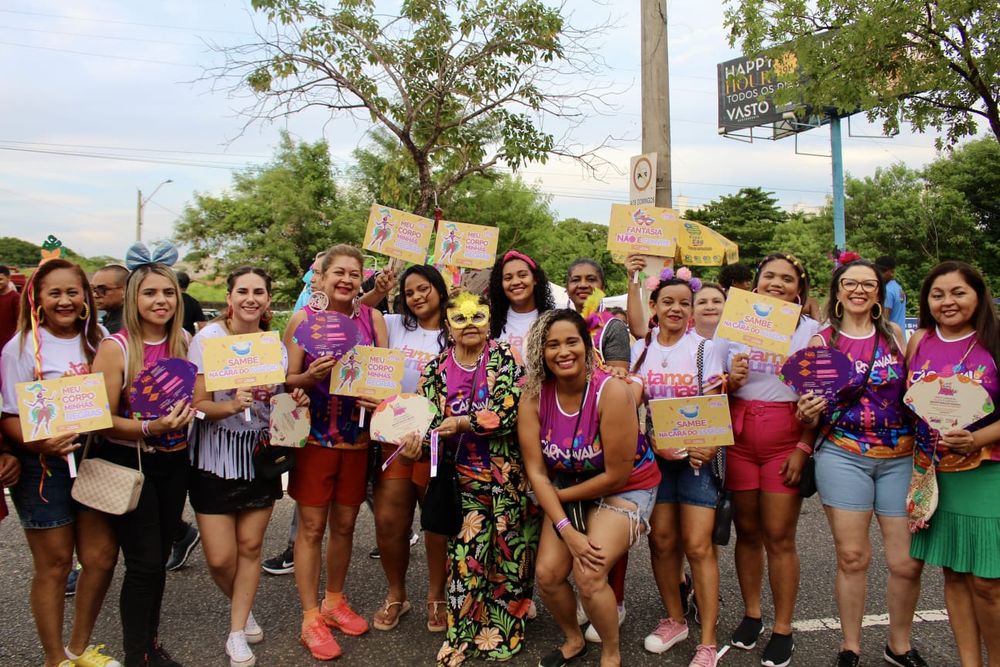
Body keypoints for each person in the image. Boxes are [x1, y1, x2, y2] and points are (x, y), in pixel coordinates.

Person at [797, 258, 927, 667]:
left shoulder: (897, 337)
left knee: (904, 562)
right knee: (852, 556)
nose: (858, 290)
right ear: (837, 291)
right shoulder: (821, 344)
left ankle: (898, 645)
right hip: (843, 454)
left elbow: (916, 392)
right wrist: (806, 409)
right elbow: (808, 408)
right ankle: (849, 645)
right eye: (849, 283)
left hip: (900, 456)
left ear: (878, 291)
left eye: (867, 284)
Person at [397, 292, 536, 665]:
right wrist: (415, 445)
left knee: (509, 557)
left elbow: (507, 412)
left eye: (477, 315)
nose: (470, 323)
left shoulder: (506, 357)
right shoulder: (436, 368)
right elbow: (424, 423)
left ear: (490, 321)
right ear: (448, 327)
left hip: (507, 480)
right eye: (460, 318)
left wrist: (463, 422)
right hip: (461, 484)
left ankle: (503, 630)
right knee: (465, 560)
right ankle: (460, 635)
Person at [520, 309, 660, 667]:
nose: (563, 351)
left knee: (589, 571)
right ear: (542, 352)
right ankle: (573, 639)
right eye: (552, 345)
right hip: (569, 485)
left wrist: (555, 500)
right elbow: (536, 470)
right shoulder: (534, 396)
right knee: (549, 576)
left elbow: (615, 475)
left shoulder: (611, 392)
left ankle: (611, 654)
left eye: (571, 342)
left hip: (626, 487)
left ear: (588, 347)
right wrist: (565, 527)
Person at [0, 258, 121, 667]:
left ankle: (79, 648)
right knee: (54, 565)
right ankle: (55, 659)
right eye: (55, 293)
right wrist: (40, 445)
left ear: (86, 297)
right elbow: (9, 415)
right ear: (38, 299)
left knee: (101, 558)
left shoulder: (101, 338)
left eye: (73, 291)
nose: (65, 301)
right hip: (43, 468)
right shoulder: (20, 348)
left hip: (94, 459)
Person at [188, 266, 309, 667]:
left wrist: (295, 401)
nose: (250, 298)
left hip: (260, 456)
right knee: (221, 559)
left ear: (268, 300)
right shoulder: (207, 340)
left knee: (251, 548)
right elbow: (197, 405)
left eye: (259, 291)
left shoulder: (272, 345)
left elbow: (277, 399)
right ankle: (244, 606)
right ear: (229, 296)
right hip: (214, 457)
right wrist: (227, 405)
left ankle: (236, 629)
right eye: (243, 291)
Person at [91, 243, 196, 667]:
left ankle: (149, 644)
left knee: (155, 564)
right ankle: (138, 654)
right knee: (144, 564)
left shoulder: (184, 341)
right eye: (150, 293)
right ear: (134, 298)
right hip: (131, 464)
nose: (161, 301)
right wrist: (151, 427)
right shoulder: (115, 347)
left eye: (168, 293)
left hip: (175, 462)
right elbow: (97, 421)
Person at [283, 244, 387, 661]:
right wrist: (306, 377)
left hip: (358, 439)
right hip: (314, 438)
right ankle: (310, 618)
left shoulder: (372, 318)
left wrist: (378, 398)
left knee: (344, 525)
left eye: (353, 273)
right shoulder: (302, 320)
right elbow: (287, 378)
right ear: (320, 278)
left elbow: (384, 373)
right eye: (338, 272)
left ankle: (334, 601)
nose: (346, 280)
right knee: (310, 528)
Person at [627, 262, 726, 667]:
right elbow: (629, 406)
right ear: (653, 305)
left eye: (684, 303)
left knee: (699, 547)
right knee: (662, 542)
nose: (676, 309)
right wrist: (651, 441)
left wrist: (710, 446)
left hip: (698, 460)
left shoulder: (706, 348)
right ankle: (674, 619)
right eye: (667, 301)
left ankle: (707, 641)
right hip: (656, 459)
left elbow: (719, 407)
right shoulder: (640, 349)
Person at [720, 253, 816, 667]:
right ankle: (752, 614)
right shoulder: (733, 325)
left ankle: (783, 628)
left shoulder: (812, 332)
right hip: (740, 436)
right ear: (756, 283)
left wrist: (804, 446)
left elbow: (818, 397)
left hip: (784, 438)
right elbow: (714, 385)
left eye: (787, 279)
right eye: (769, 276)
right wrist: (731, 379)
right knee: (748, 530)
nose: (777, 283)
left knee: (779, 535)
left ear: (799, 288)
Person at [905, 261, 1000, 666]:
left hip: (987, 471)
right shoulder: (920, 341)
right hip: (935, 472)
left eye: (958, 292)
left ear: (978, 295)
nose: (948, 302)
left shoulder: (994, 341)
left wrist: (976, 439)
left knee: (988, 582)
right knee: (955, 574)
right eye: (937, 294)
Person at [366, 264, 450, 633]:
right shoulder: (394, 324)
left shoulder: (458, 325)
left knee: (436, 524)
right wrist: (376, 288)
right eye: (410, 291)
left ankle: (437, 595)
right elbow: (359, 311)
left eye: (424, 288)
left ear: (439, 288)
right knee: (388, 522)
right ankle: (396, 594)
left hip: (439, 440)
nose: (417, 297)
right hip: (394, 438)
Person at [563, 258, 632, 642]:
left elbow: (618, 379)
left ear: (603, 285)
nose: (583, 285)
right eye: (576, 280)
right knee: (577, 520)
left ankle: (615, 600)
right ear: (567, 285)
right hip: (565, 433)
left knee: (608, 519)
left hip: (604, 432)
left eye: (591, 279)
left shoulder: (613, 326)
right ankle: (585, 593)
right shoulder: (560, 322)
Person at [488, 250, 555, 358]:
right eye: (508, 278)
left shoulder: (553, 320)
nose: (515, 282)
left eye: (522, 275)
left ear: (535, 279)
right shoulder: (491, 321)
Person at [876, 256, 908, 338]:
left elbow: (884, 321)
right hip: (900, 337)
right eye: (877, 270)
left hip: (891, 339)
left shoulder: (887, 290)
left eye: (883, 271)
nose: (879, 273)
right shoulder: (898, 288)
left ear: (892, 272)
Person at [91, 265, 128, 335]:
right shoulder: (108, 320)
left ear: (125, 290)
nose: (95, 295)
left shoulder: (122, 327)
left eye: (102, 289)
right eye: (93, 289)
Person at [176, 271, 206, 335]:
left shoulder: (169, 301)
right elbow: (202, 325)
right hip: (188, 339)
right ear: (187, 284)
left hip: (170, 338)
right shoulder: (194, 302)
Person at [0, 264, 20, 347]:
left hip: (8, 345)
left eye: (0, 279)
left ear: (8, 278)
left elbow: (20, 322)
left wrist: (14, 343)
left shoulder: (15, 298)